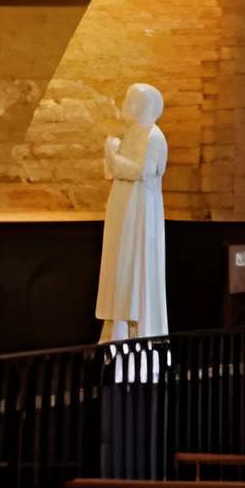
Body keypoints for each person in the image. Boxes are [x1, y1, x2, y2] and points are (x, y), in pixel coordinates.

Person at [96, 83, 170, 341]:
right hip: (122, 204)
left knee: (134, 260)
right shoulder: (132, 132)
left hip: (140, 209)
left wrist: (112, 155)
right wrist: (112, 158)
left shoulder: (154, 136)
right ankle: (116, 326)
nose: (126, 107)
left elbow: (141, 170)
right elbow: (115, 170)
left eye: (132, 102)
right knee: (119, 261)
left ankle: (137, 329)